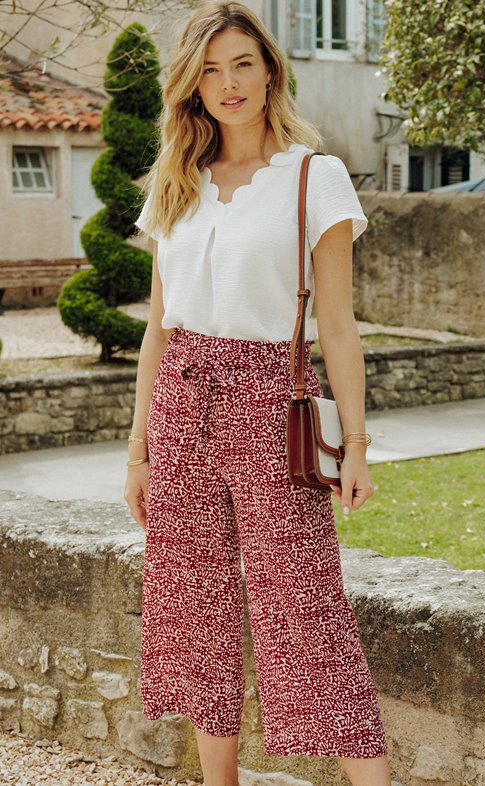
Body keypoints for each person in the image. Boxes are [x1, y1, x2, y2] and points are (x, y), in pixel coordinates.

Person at [124, 2, 392, 785]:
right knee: (195, 607)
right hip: (180, 403)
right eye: (210, 69)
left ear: (270, 70)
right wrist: (139, 451)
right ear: (191, 85)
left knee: (306, 608)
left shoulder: (314, 177)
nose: (229, 83)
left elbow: (337, 327)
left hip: (272, 400)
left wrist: (356, 447)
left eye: (243, 63)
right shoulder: (176, 180)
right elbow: (158, 331)